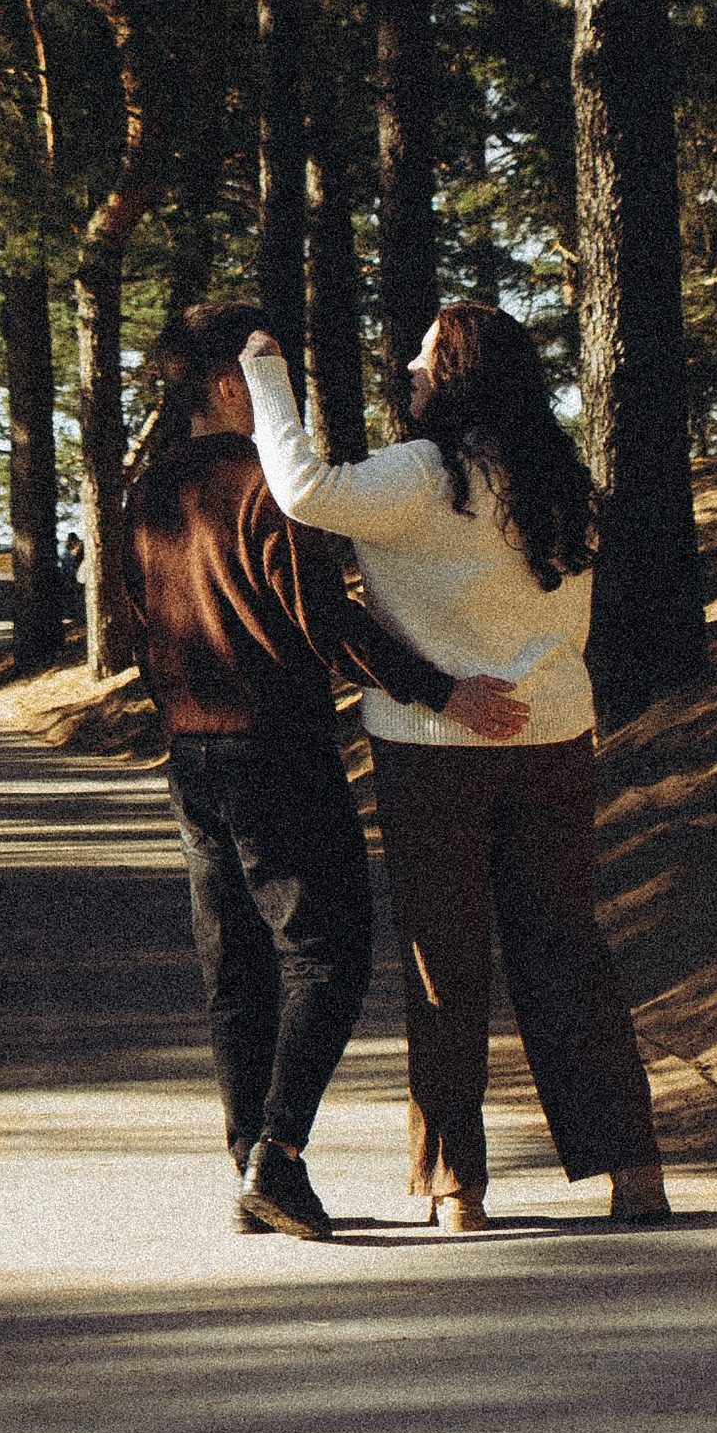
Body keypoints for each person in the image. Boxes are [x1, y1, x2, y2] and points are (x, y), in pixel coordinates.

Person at [241, 304, 671, 1234]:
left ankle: (456, 1187)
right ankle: (634, 1170)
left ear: (462, 372)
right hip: (557, 738)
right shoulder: (559, 479)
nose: (408, 362)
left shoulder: (423, 475)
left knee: (446, 963)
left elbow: (302, 489)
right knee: (566, 950)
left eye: (428, 351)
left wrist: (267, 378)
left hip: (437, 754)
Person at [122, 299, 528, 1245]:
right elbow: (326, 620)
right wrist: (441, 691)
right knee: (331, 954)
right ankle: (278, 1158)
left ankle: (250, 1168)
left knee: (237, 962)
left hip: (192, 754)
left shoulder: (146, 492)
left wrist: (177, 716)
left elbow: (141, 628)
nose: (287, 395)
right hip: (276, 746)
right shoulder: (264, 481)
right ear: (232, 387)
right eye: (270, 374)